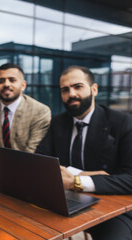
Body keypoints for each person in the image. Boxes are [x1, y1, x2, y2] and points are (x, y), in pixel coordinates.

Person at [36, 65, 132, 239]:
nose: (71, 94)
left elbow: (130, 179)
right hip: (66, 201)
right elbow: (39, 162)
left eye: (78, 87)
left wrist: (76, 181)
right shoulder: (58, 122)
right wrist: (85, 175)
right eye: (65, 90)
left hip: (114, 207)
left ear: (94, 89)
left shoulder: (122, 122)